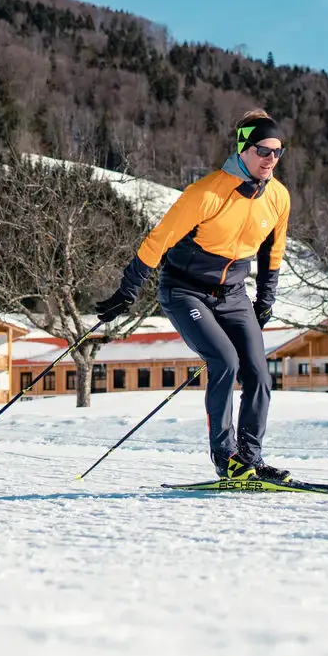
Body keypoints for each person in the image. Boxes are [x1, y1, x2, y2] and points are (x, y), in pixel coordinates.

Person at [96, 109, 291, 482]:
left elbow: (273, 252)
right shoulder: (206, 192)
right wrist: (128, 290)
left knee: (259, 374)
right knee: (225, 361)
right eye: (263, 150)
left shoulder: (278, 197)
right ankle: (226, 457)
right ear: (243, 149)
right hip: (185, 290)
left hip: (233, 293)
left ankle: (251, 459)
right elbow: (160, 239)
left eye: (277, 152)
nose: (270, 159)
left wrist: (265, 299)